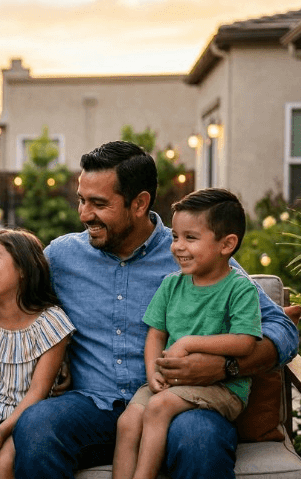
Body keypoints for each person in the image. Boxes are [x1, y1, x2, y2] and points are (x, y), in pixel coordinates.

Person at [12, 141, 299, 479]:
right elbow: (11, 299)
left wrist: (225, 366)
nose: (85, 214)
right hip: (92, 405)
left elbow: (283, 330)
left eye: (99, 203)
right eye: (82, 200)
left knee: (199, 437)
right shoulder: (62, 257)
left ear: (140, 203)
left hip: (179, 405)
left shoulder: (195, 254)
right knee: (37, 426)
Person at [112, 188, 262, 479]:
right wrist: (152, 371)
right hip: (170, 381)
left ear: (227, 244)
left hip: (222, 388)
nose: (177, 247)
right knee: (128, 422)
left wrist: (189, 342)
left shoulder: (240, 288)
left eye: (190, 238)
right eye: (175, 236)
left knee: (158, 407)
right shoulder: (172, 285)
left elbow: (244, 342)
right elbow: (156, 334)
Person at [0, 229, 75, 479]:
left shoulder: (52, 324)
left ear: (23, 268)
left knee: (4, 464)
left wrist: (5, 429)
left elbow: (39, 391)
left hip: (25, 417)